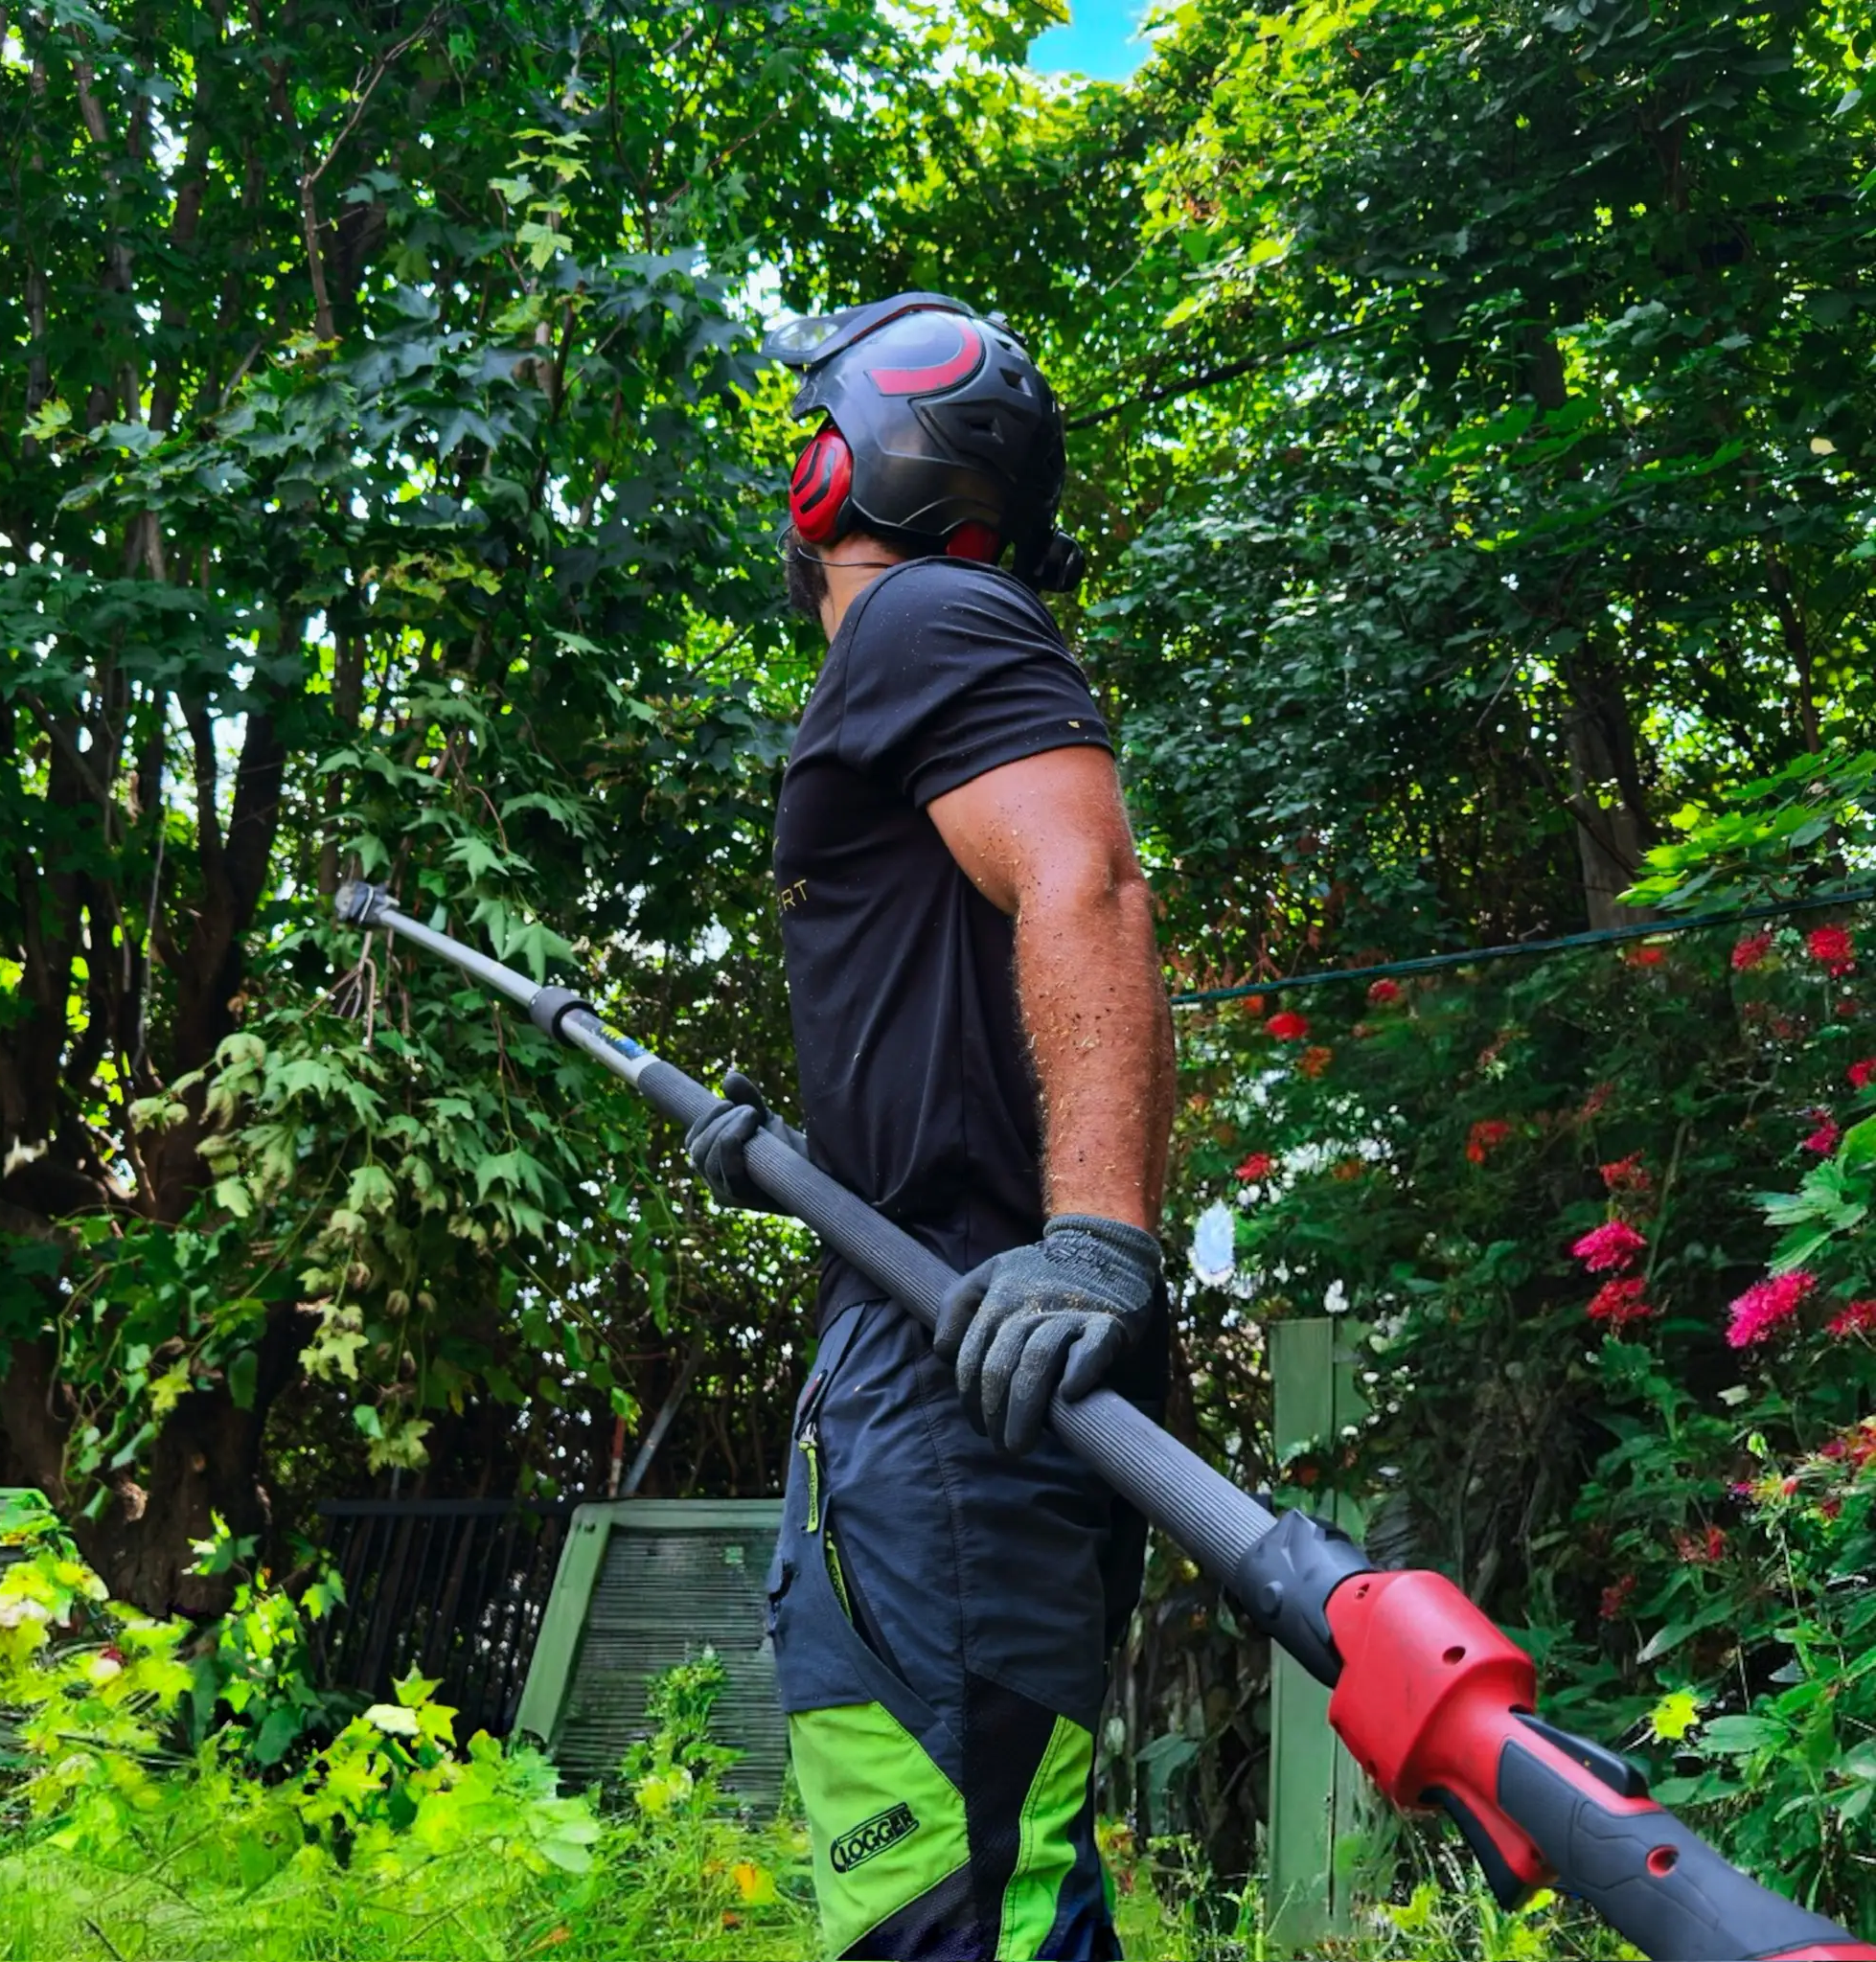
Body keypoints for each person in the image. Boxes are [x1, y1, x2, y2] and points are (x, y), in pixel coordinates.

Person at [685, 293, 1176, 1962]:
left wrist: (1093, 1245)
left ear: (848, 468)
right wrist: (806, 1173)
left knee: (958, 1910)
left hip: (969, 1368)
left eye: (809, 439)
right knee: (933, 1887)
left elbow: (1088, 885)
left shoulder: (928, 614)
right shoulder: (933, 648)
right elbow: (976, 1013)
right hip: (924, 1340)